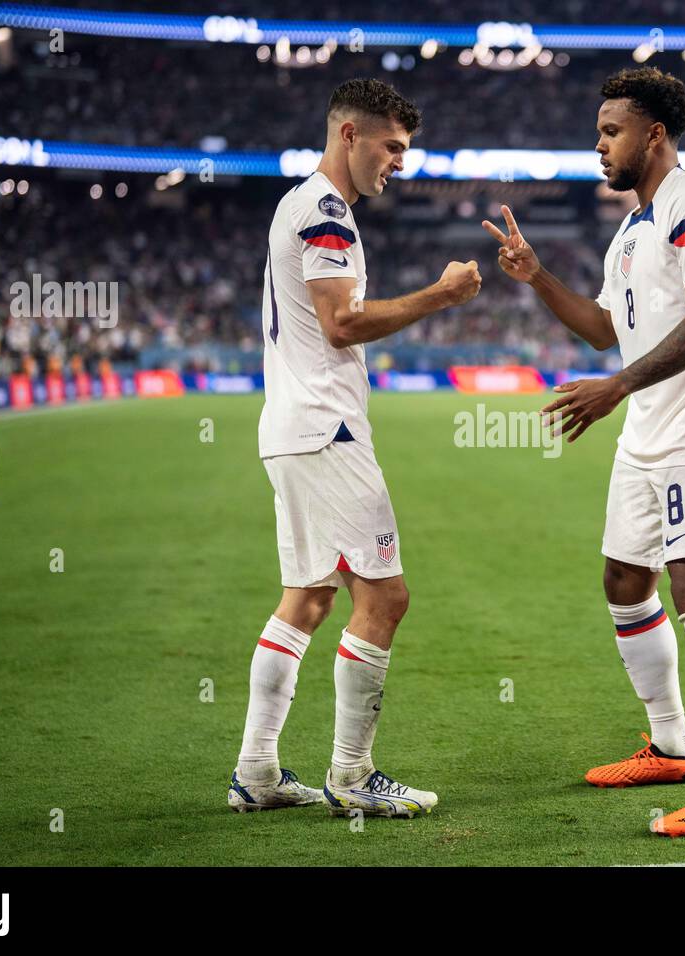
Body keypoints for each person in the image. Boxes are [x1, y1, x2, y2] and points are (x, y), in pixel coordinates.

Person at [483, 67, 685, 838]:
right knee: (622, 580)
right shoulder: (633, 228)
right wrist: (537, 275)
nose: (599, 145)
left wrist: (613, 390)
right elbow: (606, 328)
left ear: (654, 134)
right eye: (597, 132)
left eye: (611, 132)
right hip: (648, 431)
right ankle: (672, 745)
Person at [229, 79, 481, 817]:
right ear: (350, 134)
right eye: (391, 147)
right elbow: (340, 324)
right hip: (324, 430)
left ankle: (257, 771)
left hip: (292, 428)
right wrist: (439, 295)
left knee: (307, 600)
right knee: (385, 596)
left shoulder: (301, 205)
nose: (399, 162)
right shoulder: (327, 211)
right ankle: (352, 775)